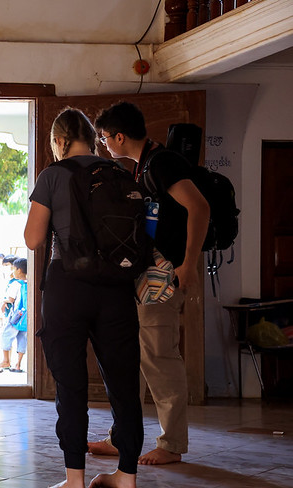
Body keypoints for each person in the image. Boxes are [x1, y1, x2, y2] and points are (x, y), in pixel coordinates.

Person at [24, 107, 143, 488]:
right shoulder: (120, 174)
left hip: (68, 287)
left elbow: (33, 239)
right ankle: (126, 474)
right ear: (93, 139)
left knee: (70, 384)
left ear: (59, 142)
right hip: (117, 288)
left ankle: (74, 480)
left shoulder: (53, 176)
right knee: (124, 382)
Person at [88, 101, 210, 466]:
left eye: (105, 138)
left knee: (160, 357)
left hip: (166, 273)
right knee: (136, 357)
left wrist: (189, 263)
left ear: (120, 136)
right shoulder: (145, 165)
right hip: (148, 274)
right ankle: (123, 436)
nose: (104, 144)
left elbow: (199, 208)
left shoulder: (162, 163)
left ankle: (171, 444)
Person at [0, 257, 28, 373]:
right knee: (22, 338)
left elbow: (11, 299)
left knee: (6, 335)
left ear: (18, 270)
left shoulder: (16, 284)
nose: (12, 271)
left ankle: (6, 361)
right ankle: (18, 364)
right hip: (26, 318)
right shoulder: (30, 283)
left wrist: (4, 301)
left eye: (13, 269)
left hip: (16, 317)